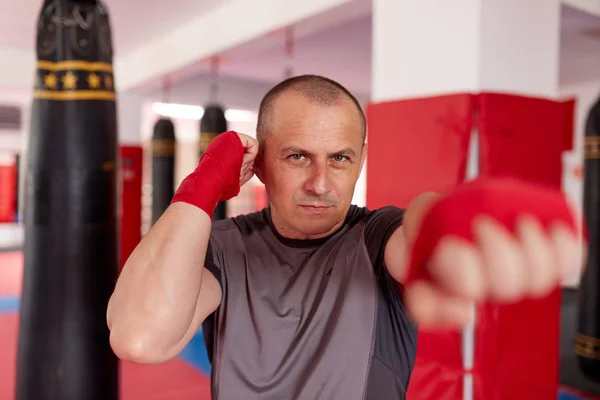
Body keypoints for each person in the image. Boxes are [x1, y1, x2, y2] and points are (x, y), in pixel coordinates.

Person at [106, 75, 583, 399]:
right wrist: (202, 185)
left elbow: (419, 231)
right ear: (262, 160)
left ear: (361, 158)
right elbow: (140, 339)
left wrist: (457, 222)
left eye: (340, 158)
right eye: (297, 157)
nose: (320, 182)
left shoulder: (376, 238)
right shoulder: (223, 247)